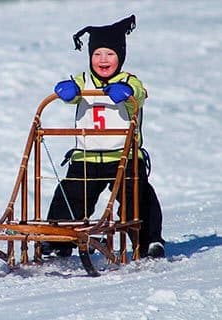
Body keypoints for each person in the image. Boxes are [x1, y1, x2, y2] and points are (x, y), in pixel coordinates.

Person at [43, 15, 165, 258]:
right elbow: (72, 90)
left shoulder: (129, 81)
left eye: (110, 54)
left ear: (120, 57)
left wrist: (127, 92)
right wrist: (66, 90)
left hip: (124, 155)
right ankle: (58, 240)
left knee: (137, 198)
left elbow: (139, 95)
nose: (103, 60)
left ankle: (150, 240)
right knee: (70, 195)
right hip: (86, 156)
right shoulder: (84, 80)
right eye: (97, 54)